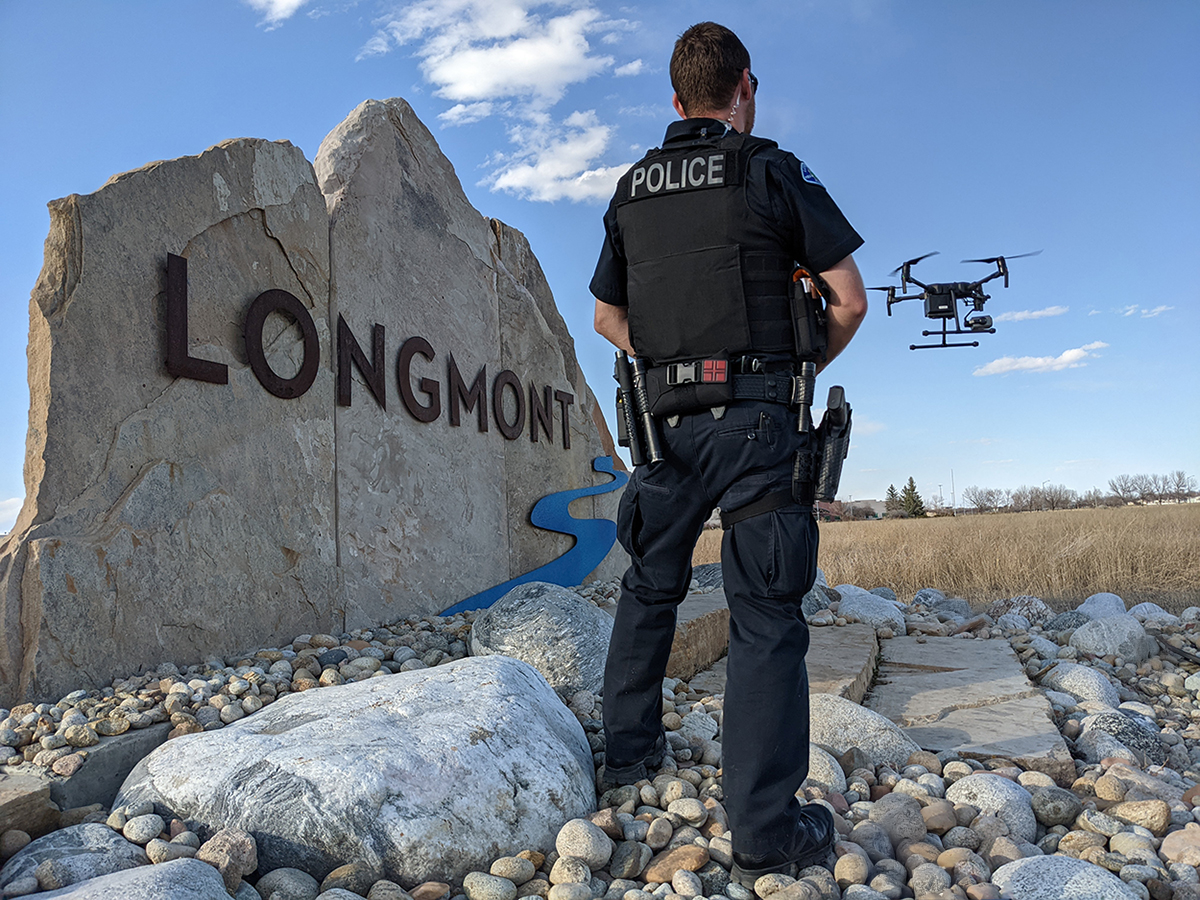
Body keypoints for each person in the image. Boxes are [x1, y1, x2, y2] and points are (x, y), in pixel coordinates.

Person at [590, 21, 868, 887]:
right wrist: (791, 366)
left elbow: (606, 317)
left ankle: (630, 757)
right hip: (757, 424)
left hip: (666, 430)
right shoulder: (773, 170)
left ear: (676, 102)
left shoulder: (633, 188)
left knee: (649, 586)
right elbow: (849, 300)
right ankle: (763, 829)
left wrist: (674, 372)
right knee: (765, 616)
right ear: (744, 87)